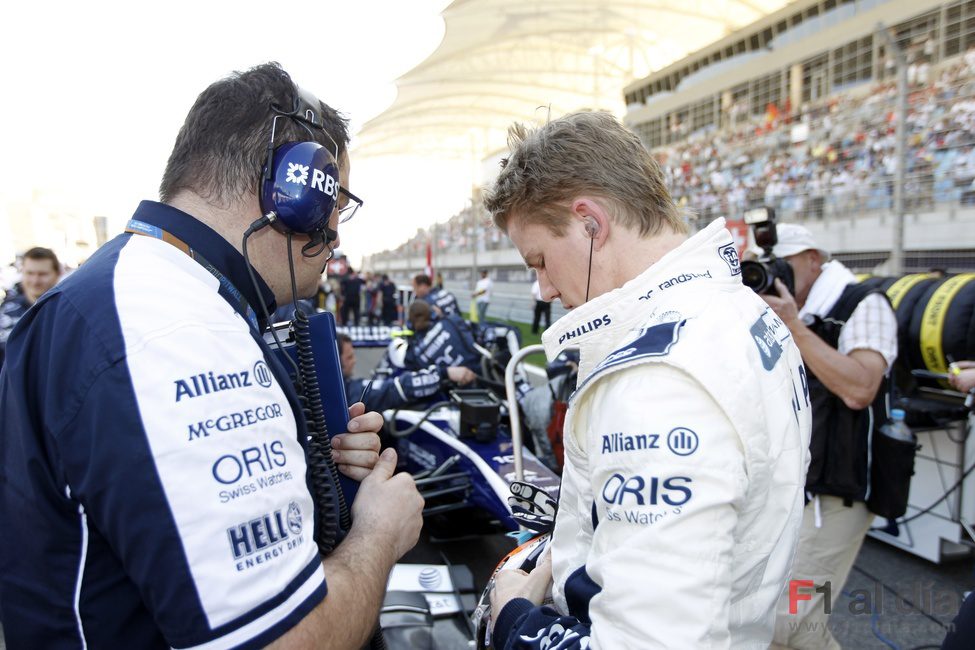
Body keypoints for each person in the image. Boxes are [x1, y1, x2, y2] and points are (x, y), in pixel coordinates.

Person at [0, 63, 424, 649]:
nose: (336, 233)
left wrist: (317, 461)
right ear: (296, 189)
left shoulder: (158, 296)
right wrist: (378, 533)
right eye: (336, 201)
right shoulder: (174, 330)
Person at [482, 111, 811, 648]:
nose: (541, 288)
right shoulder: (740, 309)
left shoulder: (658, 382)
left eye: (539, 260)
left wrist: (515, 616)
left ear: (591, 222)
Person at [766, 224, 899, 650]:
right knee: (766, 618)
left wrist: (793, 328)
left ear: (813, 259)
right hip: (789, 484)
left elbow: (860, 388)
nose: (775, 274)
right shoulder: (786, 311)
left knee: (794, 620)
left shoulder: (865, 303)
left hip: (839, 492)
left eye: (782, 264)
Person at [337, 333, 474, 411]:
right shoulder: (345, 391)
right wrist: (444, 373)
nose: (354, 361)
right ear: (335, 360)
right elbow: (394, 389)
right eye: (349, 357)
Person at [0, 247, 61, 367]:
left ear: (57, 274)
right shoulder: (6, 309)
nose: (35, 280)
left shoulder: (67, 311)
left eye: (42, 274)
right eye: (30, 273)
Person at [405, 300, 482, 375]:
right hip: (481, 369)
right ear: (431, 313)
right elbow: (476, 332)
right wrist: (442, 316)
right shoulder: (451, 320)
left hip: (458, 385)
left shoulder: (415, 353)